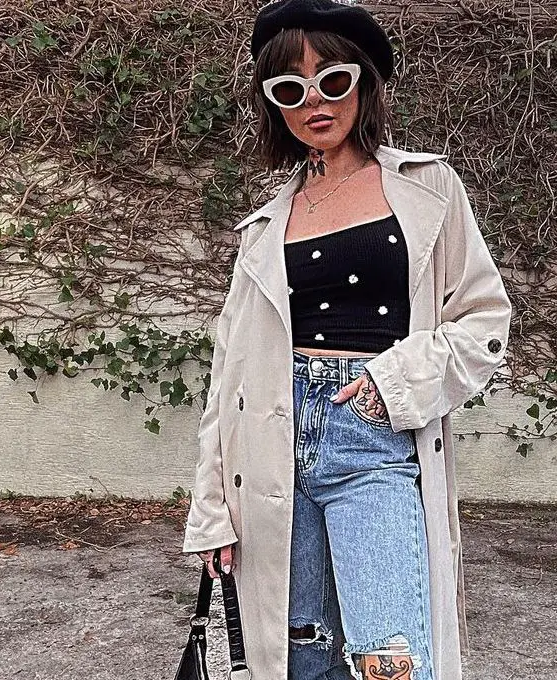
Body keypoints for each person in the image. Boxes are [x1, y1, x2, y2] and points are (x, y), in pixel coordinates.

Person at [181, 1, 512, 678]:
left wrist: (392, 385)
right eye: (290, 89)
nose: (314, 102)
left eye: (332, 80)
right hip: (271, 448)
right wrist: (210, 510)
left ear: (362, 83)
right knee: (301, 655)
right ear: (273, 104)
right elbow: (229, 379)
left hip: (371, 437)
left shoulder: (427, 187)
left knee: (389, 658)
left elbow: (483, 320)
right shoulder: (265, 226)